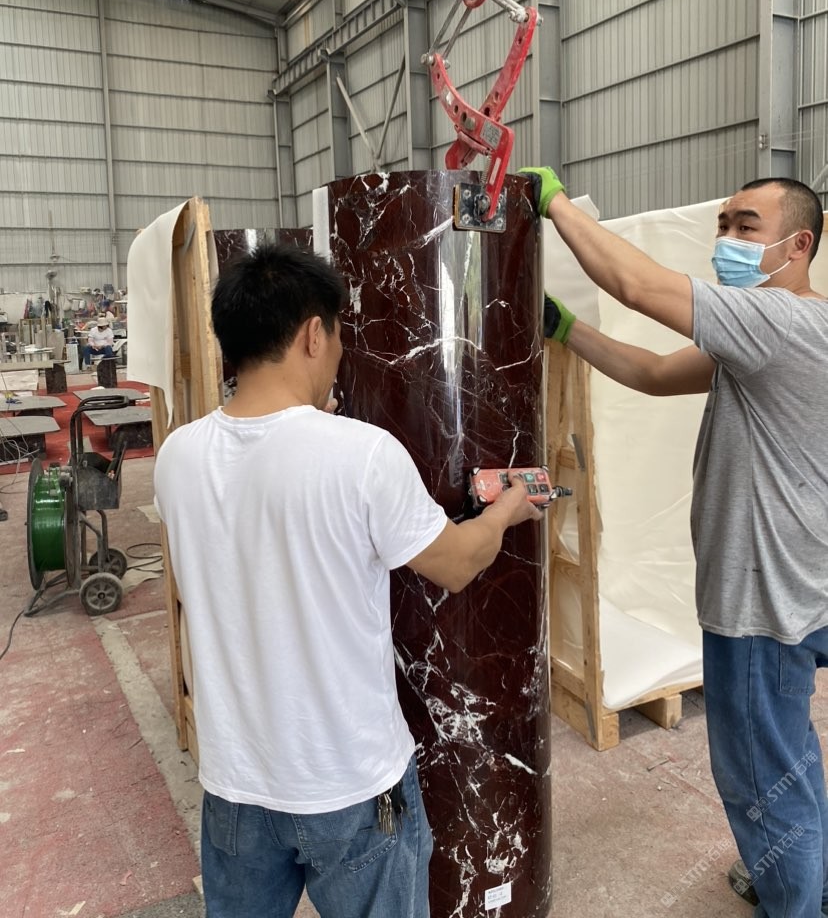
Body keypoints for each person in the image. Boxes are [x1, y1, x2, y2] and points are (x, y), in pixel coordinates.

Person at [153, 243, 544, 918]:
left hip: (235, 787)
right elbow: (456, 563)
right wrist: (508, 509)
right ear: (314, 334)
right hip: (356, 788)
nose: (339, 352)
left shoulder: (176, 456)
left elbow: (253, 520)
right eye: (337, 336)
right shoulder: (363, 456)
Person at [521, 166, 828, 918]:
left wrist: (555, 204)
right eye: (723, 224)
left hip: (760, 599)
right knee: (787, 754)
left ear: (799, 245)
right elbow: (658, 374)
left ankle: (795, 902)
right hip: (804, 580)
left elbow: (636, 285)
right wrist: (568, 329)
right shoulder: (800, 326)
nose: (726, 239)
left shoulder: (774, 320)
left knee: (760, 777)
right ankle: (813, 881)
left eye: (746, 227)